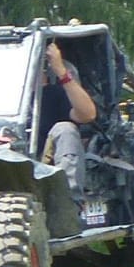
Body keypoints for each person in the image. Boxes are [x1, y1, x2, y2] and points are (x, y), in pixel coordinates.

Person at [37, 39, 99, 199]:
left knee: (65, 129)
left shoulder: (53, 94)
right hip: (7, 167)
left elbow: (88, 114)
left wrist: (61, 72)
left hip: (45, 166)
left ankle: (68, 199)